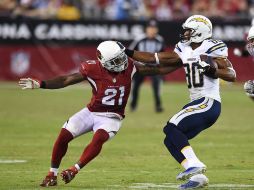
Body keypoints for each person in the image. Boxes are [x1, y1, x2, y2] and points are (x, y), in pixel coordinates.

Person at [18, 41, 177, 187]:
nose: (121, 62)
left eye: (121, 58)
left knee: (99, 138)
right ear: (103, 60)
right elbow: (66, 80)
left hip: (112, 117)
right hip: (92, 111)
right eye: (115, 60)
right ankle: (51, 174)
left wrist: (183, 63)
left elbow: (158, 69)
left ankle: (74, 169)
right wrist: (42, 84)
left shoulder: (130, 65)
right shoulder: (92, 68)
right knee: (63, 135)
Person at [124, 15, 236, 189]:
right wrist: (129, 59)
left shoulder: (212, 47)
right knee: (170, 139)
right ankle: (197, 177)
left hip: (208, 102)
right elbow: (158, 64)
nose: (185, 33)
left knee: (172, 127)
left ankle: (195, 165)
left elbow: (231, 74)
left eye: (189, 30)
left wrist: (211, 69)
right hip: (197, 103)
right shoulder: (183, 48)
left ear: (199, 32)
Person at [129, 20, 165, 112]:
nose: (152, 30)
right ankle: (133, 106)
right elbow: (130, 51)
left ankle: (158, 106)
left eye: (154, 28)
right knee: (135, 86)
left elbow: (163, 54)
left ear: (157, 30)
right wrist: (135, 63)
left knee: (157, 86)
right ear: (146, 29)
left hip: (154, 67)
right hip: (141, 66)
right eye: (150, 28)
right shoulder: (139, 39)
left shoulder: (159, 40)